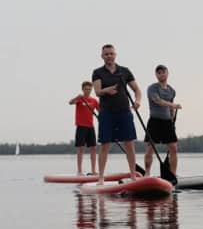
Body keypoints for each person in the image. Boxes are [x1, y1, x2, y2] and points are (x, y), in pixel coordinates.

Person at [91, 44, 142, 185]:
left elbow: (137, 90)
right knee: (105, 145)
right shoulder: (97, 72)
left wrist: (137, 101)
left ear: (115, 55)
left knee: (129, 144)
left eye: (111, 53)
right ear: (102, 56)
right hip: (106, 113)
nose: (109, 56)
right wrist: (107, 90)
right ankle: (101, 178)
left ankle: (133, 176)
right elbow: (97, 92)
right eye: (106, 54)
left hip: (124, 112)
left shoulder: (124, 71)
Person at [144, 65, 182, 176]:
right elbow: (158, 101)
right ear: (156, 75)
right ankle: (147, 173)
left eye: (163, 72)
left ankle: (173, 174)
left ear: (167, 73)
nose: (161, 74)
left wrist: (172, 117)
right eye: (159, 73)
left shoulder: (171, 90)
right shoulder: (152, 88)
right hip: (154, 120)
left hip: (167, 122)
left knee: (173, 148)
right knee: (150, 148)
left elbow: (171, 107)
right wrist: (173, 105)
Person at [68, 81, 98, 175]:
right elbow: (70, 102)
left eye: (89, 89)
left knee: (93, 148)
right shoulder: (80, 99)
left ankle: (93, 171)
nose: (87, 91)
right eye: (86, 89)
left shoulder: (94, 101)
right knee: (81, 148)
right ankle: (79, 171)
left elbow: (101, 111)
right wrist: (77, 97)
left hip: (91, 127)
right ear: (82, 89)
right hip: (81, 126)